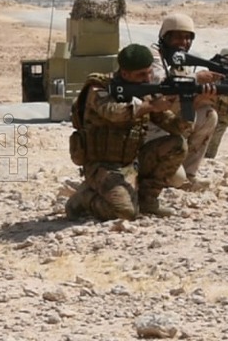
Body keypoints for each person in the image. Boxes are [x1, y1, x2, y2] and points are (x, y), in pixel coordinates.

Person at [65, 43, 193, 221]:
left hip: (131, 163)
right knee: (124, 213)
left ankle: (147, 200)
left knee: (177, 145)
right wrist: (150, 106)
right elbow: (113, 112)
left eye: (149, 72)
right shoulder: (99, 87)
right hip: (101, 166)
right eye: (141, 74)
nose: (147, 78)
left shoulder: (146, 92)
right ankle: (83, 198)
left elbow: (176, 127)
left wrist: (187, 103)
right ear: (125, 73)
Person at [152, 13, 221, 188]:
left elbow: (184, 95)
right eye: (177, 37)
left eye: (188, 38)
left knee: (208, 115)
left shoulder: (180, 62)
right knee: (174, 180)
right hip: (151, 125)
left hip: (169, 123)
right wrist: (197, 77)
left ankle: (189, 173)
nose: (183, 42)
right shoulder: (153, 55)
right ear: (165, 36)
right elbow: (160, 85)